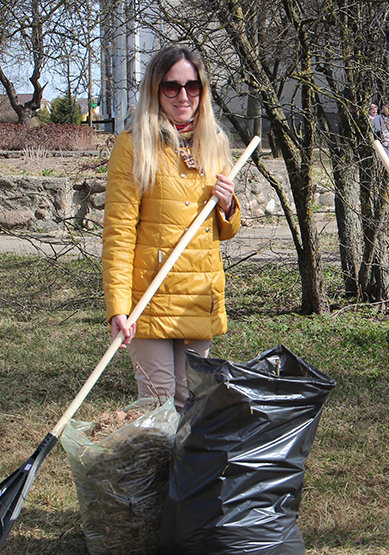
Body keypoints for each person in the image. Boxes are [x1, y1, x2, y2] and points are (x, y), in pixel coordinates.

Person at [102, 45, 241, 411]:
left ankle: (188, 471)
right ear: (155, 90)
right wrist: (118, 306)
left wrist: (228, 206)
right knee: (159, 404)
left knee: (193, 403)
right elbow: (118, 232)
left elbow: (222, 231)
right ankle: (154, 470)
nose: (183, 96)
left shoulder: (215, 145)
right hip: (150, 296)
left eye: (192, 86)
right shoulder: (133, 148)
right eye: (172, 87)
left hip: (197, 294)